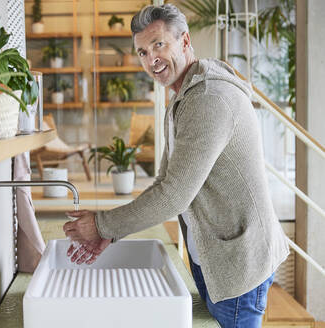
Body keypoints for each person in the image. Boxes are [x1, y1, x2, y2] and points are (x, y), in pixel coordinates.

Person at [63, 4, 289, 328]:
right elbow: (166, 182)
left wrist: (101, 225)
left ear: (184, 42)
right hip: (219, 259)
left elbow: (174, 195)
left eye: (158, 45)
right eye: (142, 51)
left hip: (239, 265)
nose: (150, 59)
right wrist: (109, 235)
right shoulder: (184, 95)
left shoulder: (208, 98)